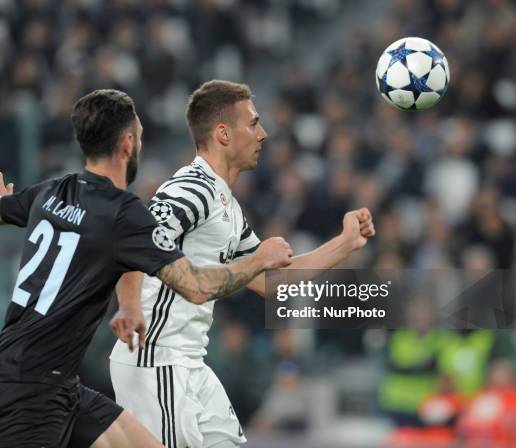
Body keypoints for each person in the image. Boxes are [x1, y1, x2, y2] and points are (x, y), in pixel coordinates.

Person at [0, 89, 292, 448]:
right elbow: (197, 286)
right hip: (30, 393)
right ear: (127, 144)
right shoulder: (123, 213)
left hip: (57, 383)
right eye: (139, 137)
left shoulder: (54, 190)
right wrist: (259, 260)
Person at [109, 80, 375, 448]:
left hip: (190, 361)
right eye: (253, 123)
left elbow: (270, 282)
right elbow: (133, 240)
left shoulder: (226, 205)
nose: (263, 134)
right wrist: (129, 304)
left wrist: (346, 244)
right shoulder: (189, 188)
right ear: (222, 133)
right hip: (157, 358)